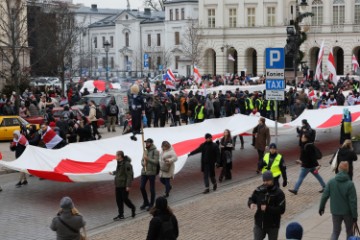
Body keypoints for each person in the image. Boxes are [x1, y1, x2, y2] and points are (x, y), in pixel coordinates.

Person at [319, 161, 357, 240]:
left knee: (335, 231)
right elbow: (353, 202)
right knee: (349, 232)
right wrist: (355, 215)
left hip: (335, 211)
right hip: (348, 213)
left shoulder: (331, 182)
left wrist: (321, 207)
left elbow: (324, 196)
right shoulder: (350, 184)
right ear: (347, 170)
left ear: (339, 169)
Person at [248, 171, 286, 240]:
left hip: (273, 225)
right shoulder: (259, 190)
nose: (265, 182)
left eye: (267, 180)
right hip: (259, 223)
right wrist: (251, 203)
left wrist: (267, 208)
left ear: (272, 180)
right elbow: (251, 199)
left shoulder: (279, 193)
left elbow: (282, 209)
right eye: (264, 180)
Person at [109, 151, 136, 221]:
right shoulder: (119, 163)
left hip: (124, 185)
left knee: (125, 199)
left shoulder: (127, 164)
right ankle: (121, 215)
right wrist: (113, 173)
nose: (115, 157)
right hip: (118, 184)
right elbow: (119, 172)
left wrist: (128, 186)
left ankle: (132, 207)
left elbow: (129, 175)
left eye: (116, 155)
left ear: (120, 156)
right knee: (118, 200)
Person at [140, 138, 160, 211]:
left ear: (151, 143)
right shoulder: (145, 151)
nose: (146, 144)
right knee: (142, 187)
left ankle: (151, 204)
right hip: (144, 172)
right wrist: (143, 163)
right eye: (146, 143)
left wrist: (147, 159)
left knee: (152, 189)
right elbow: (142, 160)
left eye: (148, 143)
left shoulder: (156, 151)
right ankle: (146, 202)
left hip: (151, 172)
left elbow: (156, 162)